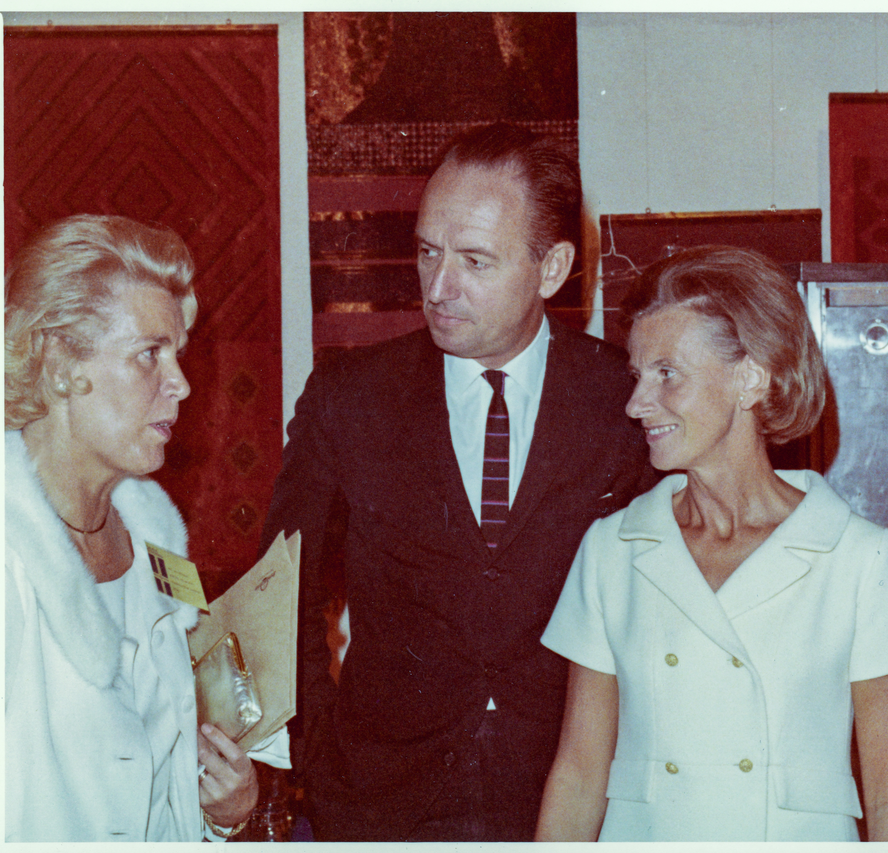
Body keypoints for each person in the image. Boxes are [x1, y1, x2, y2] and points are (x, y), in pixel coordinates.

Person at [260, 123, 655, 841]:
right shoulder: (351, 396)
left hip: (570, 803)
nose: (439, 288)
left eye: (475, 261)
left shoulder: (622, 400)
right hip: (382, 804)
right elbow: (280, 590)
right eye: (427, 252)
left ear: (552, 268)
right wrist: (314, 756)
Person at [535, 245, 888, 842]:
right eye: (637, 375)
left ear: (750, 379)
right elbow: (577, 776)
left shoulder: (859, 557)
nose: (636, 403)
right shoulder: (612, 550)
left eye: (667, 374)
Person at [4, 214, 288, 841]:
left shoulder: (158, 542)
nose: (181, 384)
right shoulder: (3, 554)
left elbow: (170, 760)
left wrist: (222, 812)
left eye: (176, 355)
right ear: (59, 361)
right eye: (148, 355)